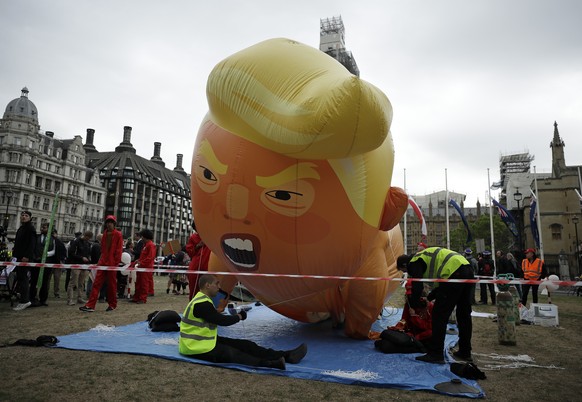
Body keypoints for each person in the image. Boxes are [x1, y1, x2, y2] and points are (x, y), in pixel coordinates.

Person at [179, 274, 307, 370]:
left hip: (206, 342)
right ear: (207, 285)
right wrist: (239, 316)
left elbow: (214, 317)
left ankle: (287, 355)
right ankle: (271, 364)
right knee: (233, 354)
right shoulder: (201, 304)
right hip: (195, 347)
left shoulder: (203, 301)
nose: (219, 287)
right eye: (216, 284)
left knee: (246, 345)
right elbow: (222, 321)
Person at [396, 247, 474, 364]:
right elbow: (440, 288)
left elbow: (417, 286)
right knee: (464, 314)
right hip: (466, 267)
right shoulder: (425, 257)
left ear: (405, 265)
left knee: (439, 315)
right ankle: (465, 351)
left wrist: (415, 305)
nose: (407, 273)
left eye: (404, 270)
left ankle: (436, 353)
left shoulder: (414, 261)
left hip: (453, 272)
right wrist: (428, 298)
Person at [80, 216, 123, 312]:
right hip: (103, 262)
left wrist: (115, 262)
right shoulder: (105, 234)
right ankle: (90, 305)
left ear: (114, 223)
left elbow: (119, 249)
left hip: (111, 263)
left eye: (111, 222)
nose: (109, 224)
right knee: (96, 283)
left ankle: (112, 305)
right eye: (108, 222)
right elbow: (103, 249)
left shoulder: (118, 234)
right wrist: (100, 261)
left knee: (111, 285)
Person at [30, 224, 64, 307]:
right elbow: (32, 248)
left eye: (44, 227)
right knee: (33, 281)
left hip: (47, 263)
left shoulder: (54, 240)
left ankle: (43, 300)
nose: (42, 228)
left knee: (45, 282)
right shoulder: (36, 237)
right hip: (36, 262)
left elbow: (54, 251)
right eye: (41, 227)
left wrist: (46, 254)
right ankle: (31, 298)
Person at [12, 211, 37, 311]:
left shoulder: (30, 228)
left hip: (24, 258)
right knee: (20, 278)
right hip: (18, 257)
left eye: (26, 216)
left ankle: (25, 301)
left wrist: (27, 256)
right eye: (22, 215)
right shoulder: (21, 228)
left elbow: (32, 244)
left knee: (23, 279)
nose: (23, 217)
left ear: (30, 218)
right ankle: (22, 299)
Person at [66, 230, 93, 306]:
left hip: (84, 266)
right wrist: (81, 258)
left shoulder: (88, 243)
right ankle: (69, 299)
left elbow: (88, 253)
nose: (89, 239)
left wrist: (88, 259)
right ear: (85, 236)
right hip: (76, 265)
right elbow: (71, 253)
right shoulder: (76, 242)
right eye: (88, 238)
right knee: (73, 283)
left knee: (81, 283)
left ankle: (79, 298)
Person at [185, 223, 211, 300]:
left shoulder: (211, 235)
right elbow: (190, 252)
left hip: (209, 267)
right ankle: (194, 307)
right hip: (196, 267)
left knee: (210, 290)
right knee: (194, 290)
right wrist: (198, 246)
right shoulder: (193, 237)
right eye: (196, 228)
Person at [130, 229, 156, 304]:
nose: (141, 238)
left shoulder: (151, 245)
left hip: (146, 268)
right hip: (141, 267)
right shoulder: (146, 245)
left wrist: (141, 262)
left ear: (145, 237)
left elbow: (150, 257)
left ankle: (142, 298)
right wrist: (137, 261)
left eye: (142, 237)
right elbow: (143, 257)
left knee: (144, 284)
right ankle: (136, 297)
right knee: (138, 283)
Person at [51, 229, 67, 298]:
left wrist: (61, 259)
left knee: (57, 279)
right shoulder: (49, 241)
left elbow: (64, 251)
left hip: (57, 262)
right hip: (50, 262)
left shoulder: (59, 242)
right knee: (48, 279)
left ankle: (56, 292)